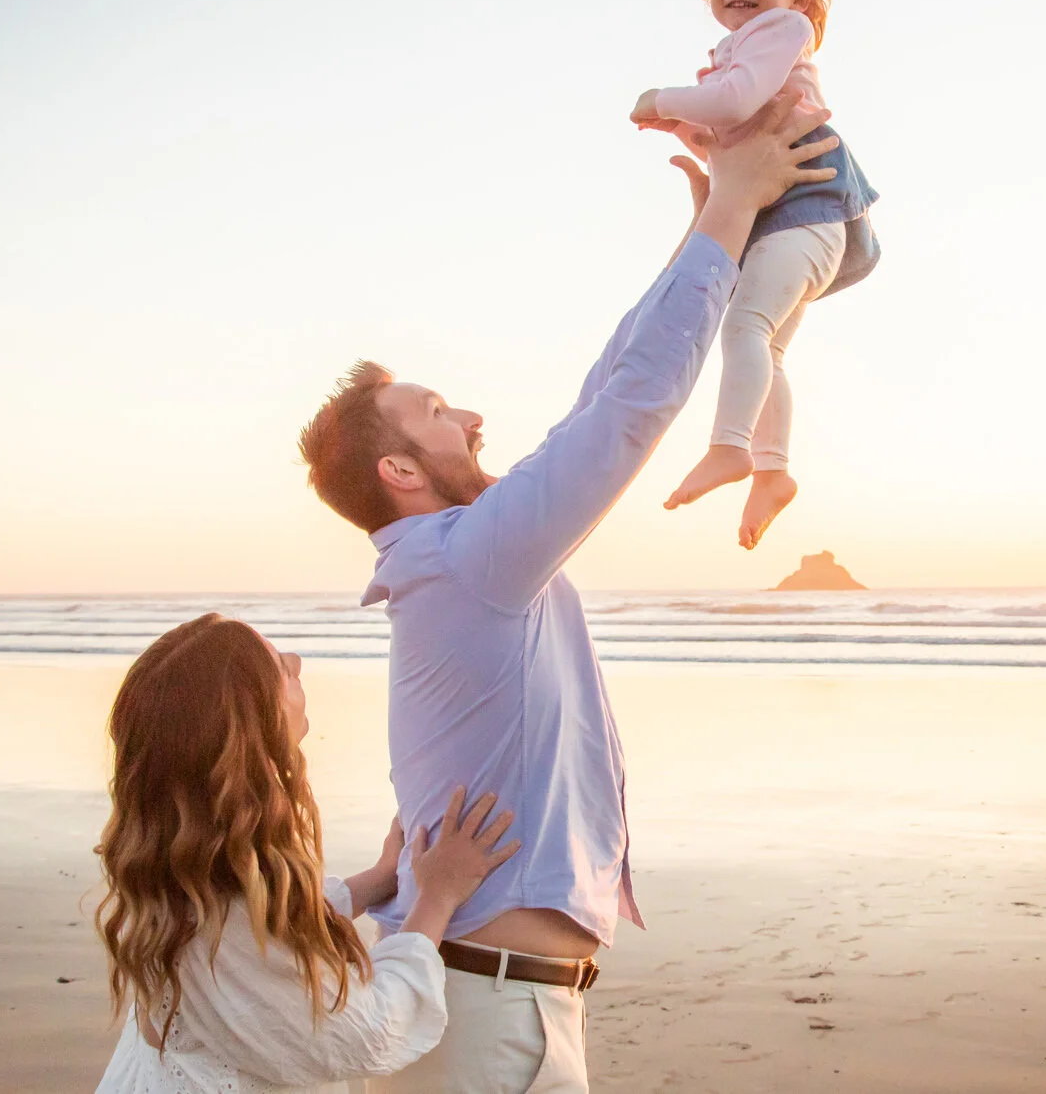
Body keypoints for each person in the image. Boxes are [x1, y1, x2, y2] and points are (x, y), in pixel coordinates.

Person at [295, 91, 836, 1092]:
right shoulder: (467, 561)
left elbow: (603, 390)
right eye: (436, 413)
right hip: (490, 1010)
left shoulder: (462, 561)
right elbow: (625, 412)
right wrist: (724, 214)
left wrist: (701, 237)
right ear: (401, 473)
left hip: (497, 1002)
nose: (470, 415)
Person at [93, 613, 518, 1094]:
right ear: (251, 730)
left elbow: (268, 935)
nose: (296, 661)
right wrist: (437, 898)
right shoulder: (223, 926)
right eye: (277, 664)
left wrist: (374, 882)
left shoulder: (178, 877)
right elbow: (369, 1032)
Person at [630, 0, 882, 550]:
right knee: (764, 348)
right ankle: (773, 471)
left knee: (744, 328)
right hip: (796, 219)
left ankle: (730, 447)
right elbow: (733, 142)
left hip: (807, 213)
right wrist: (688, 129)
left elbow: (737, 103)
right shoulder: (745, 50)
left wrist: (663, 98)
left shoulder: (780, 29)